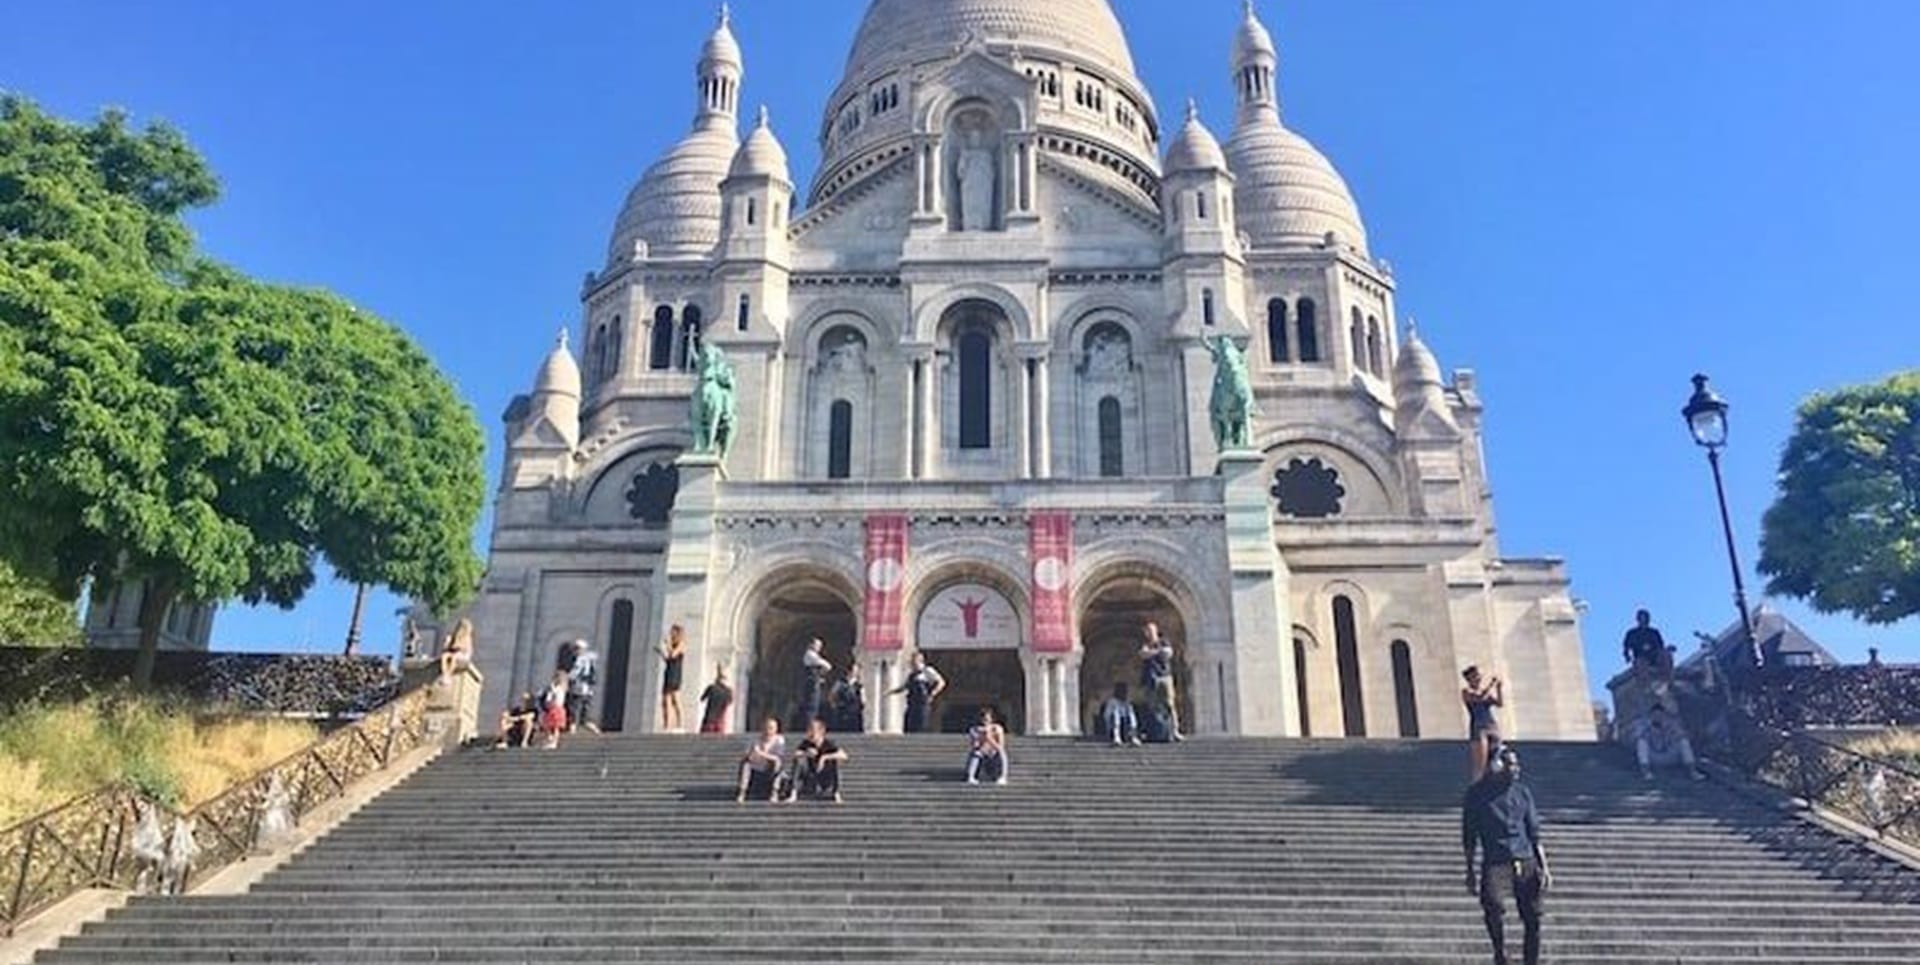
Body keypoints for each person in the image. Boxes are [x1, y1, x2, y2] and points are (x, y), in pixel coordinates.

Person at [1463, 745, 1551, 965]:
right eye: (1510, 764)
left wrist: (1545, 866)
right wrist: (1470, 870)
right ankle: (1500, 952)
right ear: (1496, 765)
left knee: (1534, 917)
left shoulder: (1522, 792)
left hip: (1525, 858)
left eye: (1516, 764)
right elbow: (1469, 834)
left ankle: (1531, 960)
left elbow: (1534, 831)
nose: (1516, 769)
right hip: (1496, 860)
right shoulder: (1476, 795)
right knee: (1492, 905)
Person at [1634, 703, 1705, 781]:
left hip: (1669, 754)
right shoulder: (1645, 725)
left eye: (1659, 715)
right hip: (1654, 757)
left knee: (1683, 742)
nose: (1657, 717)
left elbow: (1682, 735)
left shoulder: (1672, 725)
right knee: (1641, 743)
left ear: (1664, 716)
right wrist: (1649, 731)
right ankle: (1646, 773)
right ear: (1651, 716)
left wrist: (1672, 734)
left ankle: (1693, 772)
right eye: (1655, 715)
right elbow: (1637, 737)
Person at [788, 717, 849, 804]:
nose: (810, 733)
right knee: (799, 761)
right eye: (809, 730)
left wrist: (824, 757)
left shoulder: (828, 743)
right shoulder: (806, 743)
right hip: (810, 776)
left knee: (835, 761)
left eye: (813, 730)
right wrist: (806, 753)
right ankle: (793, 792)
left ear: (821, 731)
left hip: (825, 776)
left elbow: (844, 755)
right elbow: (795, 754)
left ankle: (836, 792)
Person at [1139, 622, 1184, 741]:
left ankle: (1175, 731)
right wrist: (1157, 652)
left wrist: (1152, 653)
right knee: (1152, 706)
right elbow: (1143, 654)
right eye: (1147, 630)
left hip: (1164, 677)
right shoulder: (1145, 644)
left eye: (1151, 630)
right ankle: (1153, 733)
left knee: (1169, 704)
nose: (1149, 632)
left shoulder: (1164, 641)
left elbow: (1168, 653)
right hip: (1150, 678)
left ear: (1156, 631)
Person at [1462, 666, 1505, 781]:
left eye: (1478, 675)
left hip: (1491, 725)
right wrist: (1491, 684)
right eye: (1475, 676)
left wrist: (1499, 688)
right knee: (1480, 763)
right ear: (1469, 678)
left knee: (1496, 756)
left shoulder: (1484, 692)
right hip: (1479, 727)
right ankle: (1477, 783)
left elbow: (1499, 703)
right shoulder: (1467, 692)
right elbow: (1479, 698)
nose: (1478, 678)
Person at [891, 652, 947, 734]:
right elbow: (905, 686)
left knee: (921, 725)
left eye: (914, 661)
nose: (912, 663)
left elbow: (941, 682)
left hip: (922, 703)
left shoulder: (927, 671)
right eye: (911, 661)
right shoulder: (912, 675)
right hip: (912, 703)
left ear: (920, 661)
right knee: (909, 725)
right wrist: (892, 692)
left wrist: (932, 694)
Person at [736, 718, 786, 803]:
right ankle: (742, 792)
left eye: (771, 728)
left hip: (770, 771)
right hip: (756, 771)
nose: (768, 731)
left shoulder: (779, 740)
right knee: (746, 764)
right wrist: (752, 754)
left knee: (777, 763)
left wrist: (761, 753)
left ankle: (774, 792)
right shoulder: (755, 740)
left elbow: (778, 757)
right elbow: (747, 756)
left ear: (776, 729)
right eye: (766, 727)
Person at [965, 708, 1009, 785]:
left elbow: (1000, 746)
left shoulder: (997, 729)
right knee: (976, 753)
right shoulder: (974, 729)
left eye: (988, 719)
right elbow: (975, 745)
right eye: (984, 719)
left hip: (994, 756)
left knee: (1002, 753)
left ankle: (1003, 777)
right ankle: (971, 776)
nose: (986, 722)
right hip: (982, 756)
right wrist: (981, 737)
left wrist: (989, 738)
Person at [1621, 609, 1672, 676]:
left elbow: (1661, 646)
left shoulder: (1654, 632)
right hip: (1641, 657)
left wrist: (1667, 650)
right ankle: (1644, 684)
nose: (1643, 621)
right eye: (1642, 618)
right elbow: (1626, 647)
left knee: (1666, 655)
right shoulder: (1632, 633)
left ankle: (1669, 680)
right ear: (1638, 620)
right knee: (1642, 665)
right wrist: (1627, 657)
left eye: (1645, 618)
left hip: (1655, 656)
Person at [565, 639, 599, 733]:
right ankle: (588, 726)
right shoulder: (590, 658)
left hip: (578, 688)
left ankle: (574, 727)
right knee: (583, 710)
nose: (575, 651)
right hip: (587, 690)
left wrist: (567, 677)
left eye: (576, 648)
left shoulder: (581, 659)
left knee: (574, 707)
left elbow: (576, 672)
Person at [658, 624, 687, 732]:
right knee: (665, 701)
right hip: (669, 673)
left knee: (676, 699)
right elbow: (669, 659)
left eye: (673, 632)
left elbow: (674, 654)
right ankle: (666, 725)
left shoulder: (681, 645)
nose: (671, 634)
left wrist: (667, 644)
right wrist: (661, 653)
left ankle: (680, 724)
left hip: (675, 675)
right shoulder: (673, 645)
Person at [799, 638, 832, 727]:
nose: (819, 648)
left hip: (815, 682)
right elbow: (827, 665)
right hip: (811, 683)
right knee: (811, 704)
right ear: (811, 645)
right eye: (817, 645)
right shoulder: (810, 655)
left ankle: (811, 724)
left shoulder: (814, 655)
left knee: (815, 704)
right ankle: (809, 725)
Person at [829, 663, 866, 733]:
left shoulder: (859, 685)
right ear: (849, 671)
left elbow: (863, 700)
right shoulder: (840, 683)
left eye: (856, 671)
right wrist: (833, 704)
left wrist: (861, 705)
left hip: (854, 711)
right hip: (842, 710)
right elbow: (832, 694)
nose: (855, 673)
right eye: (853, 671)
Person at [539, 670, 570, 750]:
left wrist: (552, 687)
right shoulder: (552, 688)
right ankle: (549, 741)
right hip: (550, 709)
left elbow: (555, 695)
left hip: (557, 709)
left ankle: (554, 742)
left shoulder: (560, 688)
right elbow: (548, 697)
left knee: (555, 727)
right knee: (548, 727)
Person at [698, 667, 734, 735]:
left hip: (709, 720)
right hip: (720, 721)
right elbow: (730, 702)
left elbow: (702, 699)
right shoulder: (728, 691)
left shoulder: (711, 688)